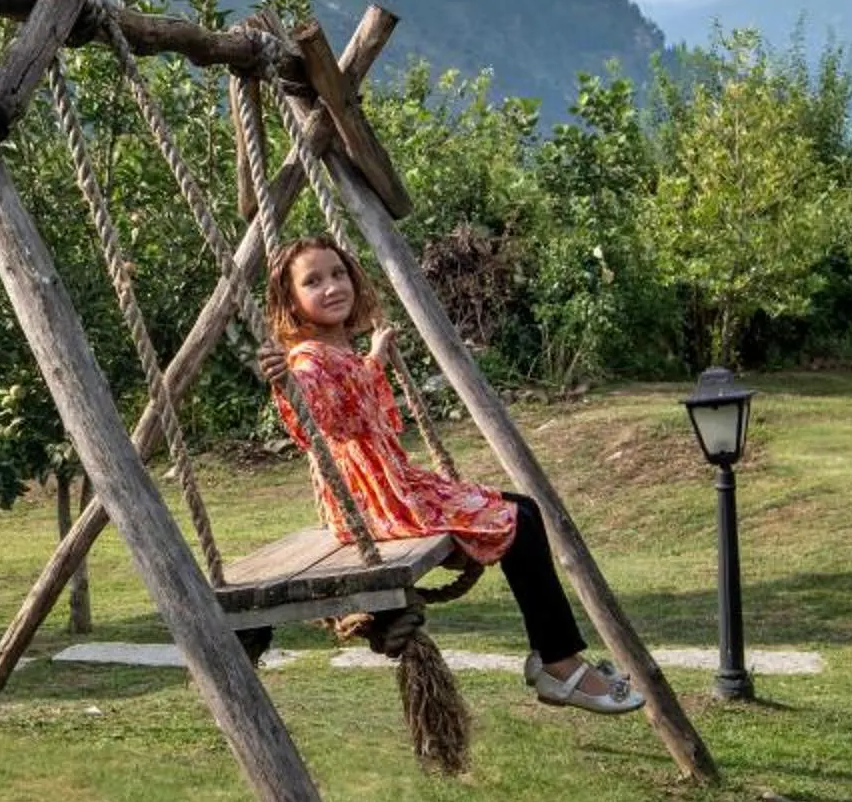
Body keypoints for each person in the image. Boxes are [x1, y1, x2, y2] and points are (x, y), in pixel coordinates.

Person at [255, 234, 640, 715]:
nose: (332, 286)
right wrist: (286, 384)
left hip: (394, 482)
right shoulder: (305, 359)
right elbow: (325, 420)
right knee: (516, 522)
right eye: (313, 281)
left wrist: (374, 356)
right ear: (291, 300)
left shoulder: (338, 349)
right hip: (374, 497)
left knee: (525, 510)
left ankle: (553, 656)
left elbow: (369, 406)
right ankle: (559, 666)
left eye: (338, 273)